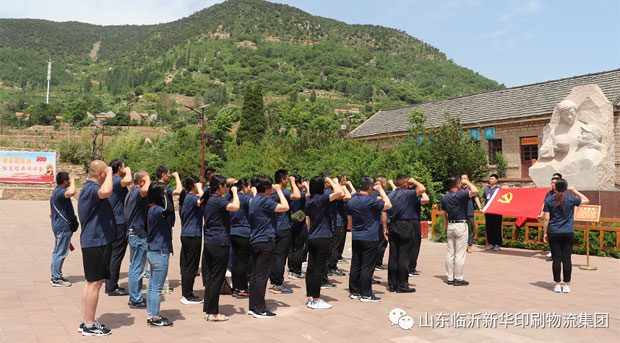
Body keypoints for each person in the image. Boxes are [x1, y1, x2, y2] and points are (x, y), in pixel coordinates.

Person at [77, 160, 116, 336]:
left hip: (93, 241)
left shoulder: (88, 188)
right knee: (95, 283)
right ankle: (90, 324)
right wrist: (109, 173)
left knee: (91, 282)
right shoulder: (92, 189)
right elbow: (107, 190)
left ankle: (86, 321)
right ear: (100, 174)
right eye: (106, 173)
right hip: (96, 242)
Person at [248, 175, 290, 318]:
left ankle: (253, 306)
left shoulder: (254, 199)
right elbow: (285, 207)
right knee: (261, 276)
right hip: (265, 240)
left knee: (255, 275)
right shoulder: (265, 201)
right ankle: (260, 309)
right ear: (267, 189)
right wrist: (279, 191)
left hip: (255, 239)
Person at [346, 177, 392, 302]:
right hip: (369, 237)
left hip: (357, 236)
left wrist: (352, 231)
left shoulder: (352, 200)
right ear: (370, 187)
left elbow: (349, 217)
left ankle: (354, 291)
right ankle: (366, 294)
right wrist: (381, 190)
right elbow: (388, 204)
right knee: (367, 266)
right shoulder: (370, 201)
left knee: (356, 265)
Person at [201, 175, 240, 321]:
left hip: (210, 241)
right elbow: (235, 206)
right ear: (220, 187)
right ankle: (213, 312)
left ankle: (209, 309)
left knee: (211, 278)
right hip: (219, 242)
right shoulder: (217, 200)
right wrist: (235, 192)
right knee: (217, 278)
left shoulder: (208, 199)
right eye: (225, 186)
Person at [304, 176, 344, 309]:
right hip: (323, 237)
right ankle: (316, 299)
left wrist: (311, 234)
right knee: (318, 270)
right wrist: (333, 181)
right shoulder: (322, 199)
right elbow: (340, 193)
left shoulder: (309, 201)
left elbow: (308, 220)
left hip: (313, 237)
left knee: (311, 268)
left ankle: (310, 297)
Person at [543, 179, 589, 293]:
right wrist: (575, 191)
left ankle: (557, 284)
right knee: (567, 259)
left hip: (554, 232)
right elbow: (586, 200)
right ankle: (566, 284)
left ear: (556, 187)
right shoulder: (570, 199)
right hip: (568, 232)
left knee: (556, 259)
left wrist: (545, 232)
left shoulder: (549, 200)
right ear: (566, 188)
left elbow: (547, 218)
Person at [385, 175, 426, 293]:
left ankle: (392, 283)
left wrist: (385, 228)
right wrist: (415, 181)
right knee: (404, 256)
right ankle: (402, 284)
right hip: (404, 225)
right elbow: (422, 189)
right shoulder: (407, 194)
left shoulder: (391, 194)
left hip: (392, 225)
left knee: (393, 256)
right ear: (405, 185)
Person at [145, 182, 175, 327]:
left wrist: (163, 193)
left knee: (152, 286)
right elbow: (169, 209)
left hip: (153, 251)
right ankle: (155, 318)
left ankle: (151, 314)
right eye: (164, 192)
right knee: (157, 288)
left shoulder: (151, 208)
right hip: (159, 252)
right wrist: (165, 195)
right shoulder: (157, 210)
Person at [441, 176, 479, 287]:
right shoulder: (461, 195)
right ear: (458, 185)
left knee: (450, 253)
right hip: (461, 225)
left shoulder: (444, 197)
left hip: (451, 225)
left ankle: (450, 277)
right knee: (460, 254)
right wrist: (467, 182)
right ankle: (458, 277)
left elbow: (444, 214)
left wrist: (446, 226)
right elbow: (475, 191)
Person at [269, 170, 301, 294]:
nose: (288, 180)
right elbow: (297, 196)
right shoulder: (282, 192)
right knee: (280, 256)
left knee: (273, 256)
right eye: (287, 179)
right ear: (282, 180)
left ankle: (273, 280)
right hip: (283, 227)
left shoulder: (270, 191)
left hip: (273, 227)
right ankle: (277, 283)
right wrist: (293, 182)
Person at [124, 170, 151, 309]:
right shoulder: (137, 192)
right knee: (138, 268)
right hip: (139, 234)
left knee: (134, 266)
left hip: (133, 232)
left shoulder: (131, 192)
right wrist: (148, 180)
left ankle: (134, 296)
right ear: (141, 182)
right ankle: (135, 298)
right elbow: (146, 189)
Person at [105, 159, 132, 296]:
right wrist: (128, 171)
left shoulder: (110, 180)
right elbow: (128, 181)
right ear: (119, 167)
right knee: (117, 254)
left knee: (112, 254)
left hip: (112, 221)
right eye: (123, 166)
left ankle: (109, 284)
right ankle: (112, 286)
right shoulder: (115, 180)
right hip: (119, 222)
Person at [178, 176, 204, 305]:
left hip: (187, 234)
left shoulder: (185, 197)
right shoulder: (192, 198)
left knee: (188, 265)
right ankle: (187, 295)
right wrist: (199, 188)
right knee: (191, 267)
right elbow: (205, 200)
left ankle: (187, 293)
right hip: (193, 235)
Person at [50, 171, 77, 287]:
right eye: (68, 181)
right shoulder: (60, 192)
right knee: (60, 253)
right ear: (65, 182)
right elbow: (72, 192)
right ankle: (56, 278)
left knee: (58, 251)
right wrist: (73, 182)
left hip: (60, 226)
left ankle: (56, 275)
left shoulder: (57, 191)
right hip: (62, 227)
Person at [230, 178, 254, 297]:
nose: (250, 189)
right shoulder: (244, 198)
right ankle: (242, 288)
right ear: (244, 187)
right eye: (249, 187)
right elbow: (255, 205)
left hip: (233, 231)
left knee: (235, 261)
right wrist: (255, 193)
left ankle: (235, 287)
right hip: (244, 233)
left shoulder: (231, 197)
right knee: (243, 263)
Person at [327, 174, 351, 277]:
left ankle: (331, 265)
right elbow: (348, 196)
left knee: (336, 246)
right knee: (336, 246)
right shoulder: (336, 194)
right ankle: (332, 267)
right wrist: (341, 185)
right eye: (344, 181)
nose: (345, 183)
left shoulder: (334, 194)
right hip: (338, 222)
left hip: (338, 222)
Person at [287, 175, 309, 280]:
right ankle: (296, 271)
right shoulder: (302, 194)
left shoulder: (288, 194)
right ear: (298, 184)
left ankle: (291, 270)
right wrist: (307, 186)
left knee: (291, 249)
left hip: (290, 225)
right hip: (301, 226)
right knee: (299, 249)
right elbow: (310, 195)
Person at [373, 176, 391, 270]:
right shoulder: (384, 194)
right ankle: (378, 263)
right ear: (383, 183)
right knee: (382, 244)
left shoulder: (371, 193)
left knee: (377, 243)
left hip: (375, 221)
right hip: (382, 222)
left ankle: (377, 262)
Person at [460, 174, 482, 253]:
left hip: (469, 212)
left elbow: (476, 198)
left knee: (471, 228)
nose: (463, 180)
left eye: (465, 178)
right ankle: (461, 245)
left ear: (468, 179)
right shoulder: (459, 189)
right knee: (461, 229)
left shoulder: (471, 188)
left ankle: (469, 245)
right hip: (460, 212)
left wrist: (480, 208)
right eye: (462, 178)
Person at [544, 173, 562, 262]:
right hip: (551, 217)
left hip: (561, 218)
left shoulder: (565, 193)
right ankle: (553, 252)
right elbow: (545, 204)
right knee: (552, 237)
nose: (553, 184)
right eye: (552, 182)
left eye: (555, 181)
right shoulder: (549, 193)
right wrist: (542, 213)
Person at [483, 174, 502, 251]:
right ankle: (491, 243)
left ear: (496, 180)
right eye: (490, 179)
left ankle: (497, 244)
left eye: (492, 179)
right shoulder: (487, 189)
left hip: (496, 212)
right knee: (489, 227)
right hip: (488, 212)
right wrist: (484, 208)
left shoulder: (499, 189)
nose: (490, 180)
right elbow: (485, 199)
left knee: (496, 227)